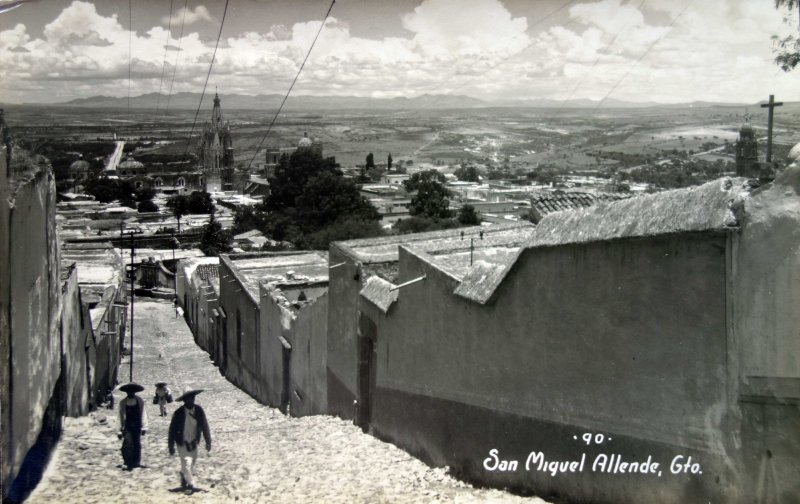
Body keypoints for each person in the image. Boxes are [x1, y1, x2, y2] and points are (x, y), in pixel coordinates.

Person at [168, 388, 211, 492]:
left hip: (194, 442)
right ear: (184, 400)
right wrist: (171, 445)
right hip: (182, 442)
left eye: (193, 397)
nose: (191, 400)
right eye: (188, 398)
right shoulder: (178, 413)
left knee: (192, 463)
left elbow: (205, 426)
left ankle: (184, 476)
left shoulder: (199, 410)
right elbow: (172, 430)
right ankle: (190, 484)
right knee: (187, 462)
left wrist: (208, 441)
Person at [118, 383, 148, 470]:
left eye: (132, 391)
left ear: (135, 392)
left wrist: (144, 427)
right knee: (127, 443)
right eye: (128, 391)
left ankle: (136, 462)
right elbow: (119, 416)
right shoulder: (122, 402)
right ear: (126, 392)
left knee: (137, 443)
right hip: (127, 426)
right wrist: (119, 430)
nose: (130, 393)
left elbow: (143, 413)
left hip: (137, 425)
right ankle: (127, 462)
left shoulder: (139, 401)